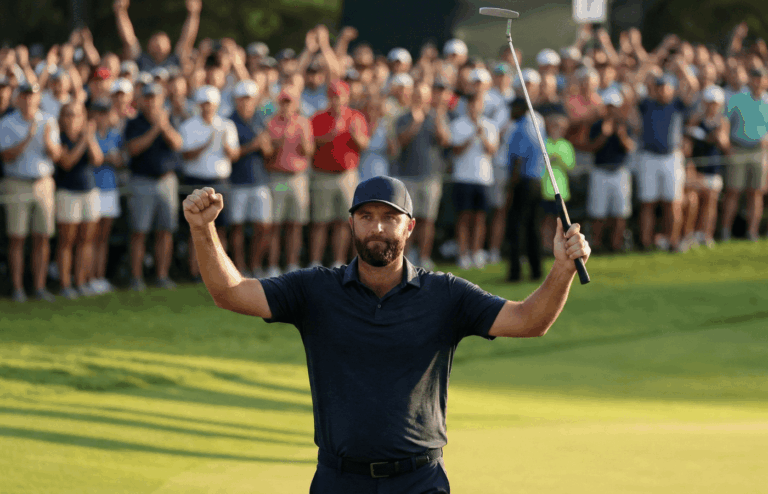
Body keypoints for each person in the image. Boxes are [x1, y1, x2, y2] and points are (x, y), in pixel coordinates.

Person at [181, 174, 590, 493]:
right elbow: (230, 293)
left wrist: (561, 270)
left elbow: (528, 321)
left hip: (419, 481)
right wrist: (203, 230)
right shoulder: (315, 290)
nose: (377, 228)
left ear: (409, 227)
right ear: (351, 224)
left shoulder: (445, 294)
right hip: (339, 480)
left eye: (390, 218)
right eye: (366, 217)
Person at [0, 82, 61, 302]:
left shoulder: (49, 120)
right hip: (17, 182)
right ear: (18, 99)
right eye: (24, 96)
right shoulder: (7, 123)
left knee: (42, 237)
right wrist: (28, 137)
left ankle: (40, 287)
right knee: (17, 238)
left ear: (38, 99)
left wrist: (46, 141)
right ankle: (17, 289)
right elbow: (6, 156)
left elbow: (56, 155)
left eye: (32, 96)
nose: (28, 100)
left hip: (43, 182)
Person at [124, 82, 183, 291]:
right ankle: (136, 278)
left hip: (167, 181)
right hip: (142, 181)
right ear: (141, 101)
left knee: (165, 231)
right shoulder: (134, 123)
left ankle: (162, 275)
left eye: (155, 98)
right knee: (139, 231)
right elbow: (133, 149)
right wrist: (155, 129)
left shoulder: (170, 120)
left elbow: (177, 144)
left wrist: (164, 126)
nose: (151, 102)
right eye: (147, 98)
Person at [179, 85, 239, 281]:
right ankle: (195, 272)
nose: (207, 108)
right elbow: (186, 155)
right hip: (195, 182)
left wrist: (224, 145)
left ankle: (220, 272)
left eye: (211, 104)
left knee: (221, 229)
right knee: (196, 228)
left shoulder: (227, 125)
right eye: (204, 104)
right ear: (199, 105)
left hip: (219, 182)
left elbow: (234, 155)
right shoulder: (188, 126)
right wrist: (207, 143)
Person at [636, 65, 699, 252]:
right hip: (648, 157)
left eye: (666, 86)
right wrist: (648, 64)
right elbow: (632, 85)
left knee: (673, 202)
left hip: (672, 157)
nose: (663, 90)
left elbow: (694, 88)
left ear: (672, 88)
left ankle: (672, 242)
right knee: (648, 202)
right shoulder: (646, 104)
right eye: (659, 86)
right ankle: (646, 243)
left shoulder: (678, 105)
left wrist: (683, 67)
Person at [309, 80, 369, 268]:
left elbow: (364, 145)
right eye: (334, 96)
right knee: (320, 221)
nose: (337, 100)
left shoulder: (356, 117)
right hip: (322, 175)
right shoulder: (318, 117)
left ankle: (338, 262)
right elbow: (309, 145)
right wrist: (328, 137)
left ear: (347, 97)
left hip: (347, 175)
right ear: (329, 97)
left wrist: (355, 135)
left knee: (344, 222)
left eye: (340, 96)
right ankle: (315, 262)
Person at [395, 82, 451, 270]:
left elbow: (444, 140)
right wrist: (416, 122)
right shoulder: (403, 117)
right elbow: (401, 141)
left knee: (427, 219)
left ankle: (424, 256)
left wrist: (437, 120)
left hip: (430, 176)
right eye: (416, 95)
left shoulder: (436, 118)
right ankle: (408, 256)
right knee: (407, 219)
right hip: (407, 176)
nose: (420, 99)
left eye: (423, 96)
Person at [54, 101, 104, 299]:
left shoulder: (87, 137)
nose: (72, 119)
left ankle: (81, 281)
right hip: (67, 192)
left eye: (76, 115)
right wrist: (84, 140)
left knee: (87, 240)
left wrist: (89, 139)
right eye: (68, 115)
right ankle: (65, 284)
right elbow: (66, 162)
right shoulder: (59, 137)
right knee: (67, 241)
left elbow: (98, 159)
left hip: (89, 191)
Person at [262, 87, 314, 276]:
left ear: (295, 104)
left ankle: (292, 264)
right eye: (283, 102)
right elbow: (266, 154)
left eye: (289, 102)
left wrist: (303, 142)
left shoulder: (303, 123)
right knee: (274, 225)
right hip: (277, 177)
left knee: (296, 224)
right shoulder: (271, 123)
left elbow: (309, 152)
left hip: (298, 178)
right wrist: (279, 142)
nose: (286, 106)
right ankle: (273, 265)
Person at [227, 80, 271, 278]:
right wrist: (253, 145)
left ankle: (255, 265)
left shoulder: (260, 119)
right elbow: (232, 154)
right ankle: (240, 267)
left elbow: (268, 151)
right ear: (236, 100)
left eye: (250, 99)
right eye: (243, 99)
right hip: (237, 181)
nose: (246, 103)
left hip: (260, 180)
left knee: (262, 226)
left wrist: (265, 146)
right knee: (236, 226)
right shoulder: (229, 121)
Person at [450, 92, 499, 270]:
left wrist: (482, 135)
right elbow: (455, 150)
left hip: (483, 178)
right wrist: (472, 136)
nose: (474, 108)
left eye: (477, 104)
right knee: (463, 217)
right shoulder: (457, 125)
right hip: (462, 177)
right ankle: (463, 254)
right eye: (471, 104)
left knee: (480, 218)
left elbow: (492, 150)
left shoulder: (490, 125)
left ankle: (476, 252)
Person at [506, 71, 547, 282]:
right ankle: (536, 270)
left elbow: (517, 160)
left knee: (517, 228)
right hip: (537, 181)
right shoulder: (537, 124)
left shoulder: (520, 128)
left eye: (513, 107)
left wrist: (510, 188)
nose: (510, 111)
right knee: (533, 227)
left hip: (522, 182)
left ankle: (515, 273)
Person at [720, 67, 768, 241]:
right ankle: (725, 231)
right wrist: (726, 146)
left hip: (759, 151)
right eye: (755, 78)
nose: (758, 82)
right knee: (733, 191)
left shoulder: (767, 101)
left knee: (756, 192)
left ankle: (752, 232)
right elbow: (724, 122)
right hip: (738, 148)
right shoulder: (738, 99)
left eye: (761, 78)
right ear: (750, 80)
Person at [585, 90, 635, 253]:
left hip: (619, 171)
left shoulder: (625, 125)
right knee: (598, 213)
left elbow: (629, 148)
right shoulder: (597, 126)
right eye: (609, 107)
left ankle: (616, 245)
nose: (612, 110)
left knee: (620, 212)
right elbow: (591, 148)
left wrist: (621, 136)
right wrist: (604, 135)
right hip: (600, 172)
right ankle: (597, 245)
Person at [686, 85, 730, 248]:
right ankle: (691, 234)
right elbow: (689, 144)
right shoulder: (696, 119)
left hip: (714, 168)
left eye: (715, 103)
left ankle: (706, 234)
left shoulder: (722, 122)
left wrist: (719, 138)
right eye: (710, 102)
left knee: (711, 202)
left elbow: (726, 147)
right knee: (695, 202)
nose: (712, 106)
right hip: (697, 169)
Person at [112, 0, 201, 72]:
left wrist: (193, 14)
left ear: (169, 46)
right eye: (155, 41)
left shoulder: (176, 60)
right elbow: (129, 40)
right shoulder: (140, 60)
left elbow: (187, 39)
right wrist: (121, 11)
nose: (158, 45)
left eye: (162, 42)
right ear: (148, 46)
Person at [91, 99, 123, 293]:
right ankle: (87, 277)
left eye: (105, 113)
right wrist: (106, 158)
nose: (102, 117)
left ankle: (99, 277)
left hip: (110, 189)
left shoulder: (115, 134)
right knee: (89, 238)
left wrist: (111, 159)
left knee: (103, 238)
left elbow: (119, 160)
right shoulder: (88, 134)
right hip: (92, 189)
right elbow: (95, 160)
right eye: (98, 112)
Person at [541, 113, 575, 254]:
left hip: (561, 190)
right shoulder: (544, 143)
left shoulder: (566, 145)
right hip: (545, 189)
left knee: (560, 222)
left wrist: (558, 158)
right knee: (546, 221)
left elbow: (570, 165)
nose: (557, 130)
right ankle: (546, 246)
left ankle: (559, 248)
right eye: (554, 126)